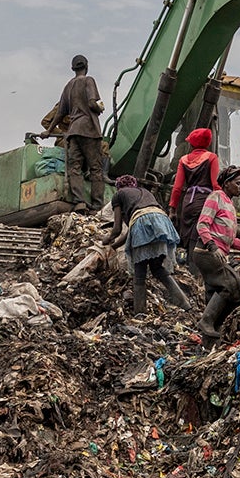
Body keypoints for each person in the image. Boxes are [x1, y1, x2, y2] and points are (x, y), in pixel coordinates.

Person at [103, 174, 191, 317]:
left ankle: (140, 313)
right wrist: (114, 247)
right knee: (157, 268)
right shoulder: (145, 193)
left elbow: (117, 229)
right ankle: (185, 304)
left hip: (143, 222)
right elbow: (131, 231)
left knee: (139, 274)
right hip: (162, 222)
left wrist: (106, 241)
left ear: (119, 187)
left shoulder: (118, 195)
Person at [192, 165, 240, 343]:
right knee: (234, 285)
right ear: (226, 183)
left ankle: (211, 337)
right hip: (206, 252)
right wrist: (212, 246)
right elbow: (202, 224)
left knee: (215, 293)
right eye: (238, 183)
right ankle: (207, 321)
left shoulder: (230, 206)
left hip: (217, 253)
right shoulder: (216, 196)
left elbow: (228, 239)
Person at [55, 55, 107, 212]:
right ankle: (97, 205)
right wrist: (99, 108)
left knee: (74, 168)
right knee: (96, 168)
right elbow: (92, 103)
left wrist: (48, 131)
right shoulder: (88, 80)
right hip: (89, 129)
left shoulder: (68, 86)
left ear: (73, 68)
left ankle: (79, 202)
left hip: (73, 132)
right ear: (87, 66)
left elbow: (60, 113)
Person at [171, 126, 223, 259]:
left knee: (186, 236)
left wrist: (172, 209)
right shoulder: (212, 157)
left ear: (192, 143)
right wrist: (224, 202)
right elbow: (215, 184)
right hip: (204, 202)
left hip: (188, 202)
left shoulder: (183, 159)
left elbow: (177, 188)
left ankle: (185, 262)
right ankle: (195, 266)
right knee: (199, 236)